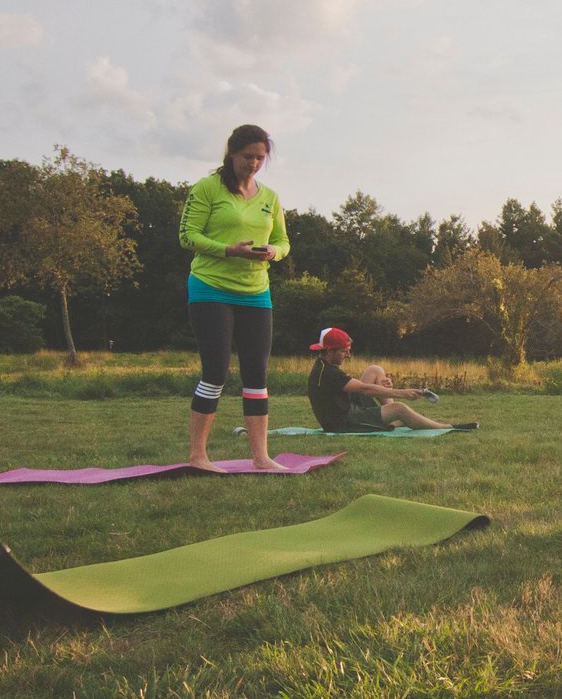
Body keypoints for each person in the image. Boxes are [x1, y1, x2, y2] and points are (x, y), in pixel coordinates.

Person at [180, 125, 289, 472]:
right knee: (215, 372)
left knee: (256, 376)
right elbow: (187, 236)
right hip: (210, 287)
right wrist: (228, 250)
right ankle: (198, 456)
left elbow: (285, 242)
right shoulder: (207, 188)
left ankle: (260, 457)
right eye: (247, 156)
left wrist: (273, 252)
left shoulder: (270, 197)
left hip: (256, 293)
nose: (254, 163)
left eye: (260, 157)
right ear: (231, 153)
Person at [304, 328, 473, 432]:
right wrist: (402, 393)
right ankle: (446, 427)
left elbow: (351, 387)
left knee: (374, 370)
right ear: (330, 351)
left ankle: (391, 416)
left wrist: (383, 386)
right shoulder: (327, 373)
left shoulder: (324, 364)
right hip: (343, 422)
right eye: (343, 351)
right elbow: (364, 389)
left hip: (346, 408)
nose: (348, 355)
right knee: (399, 408)